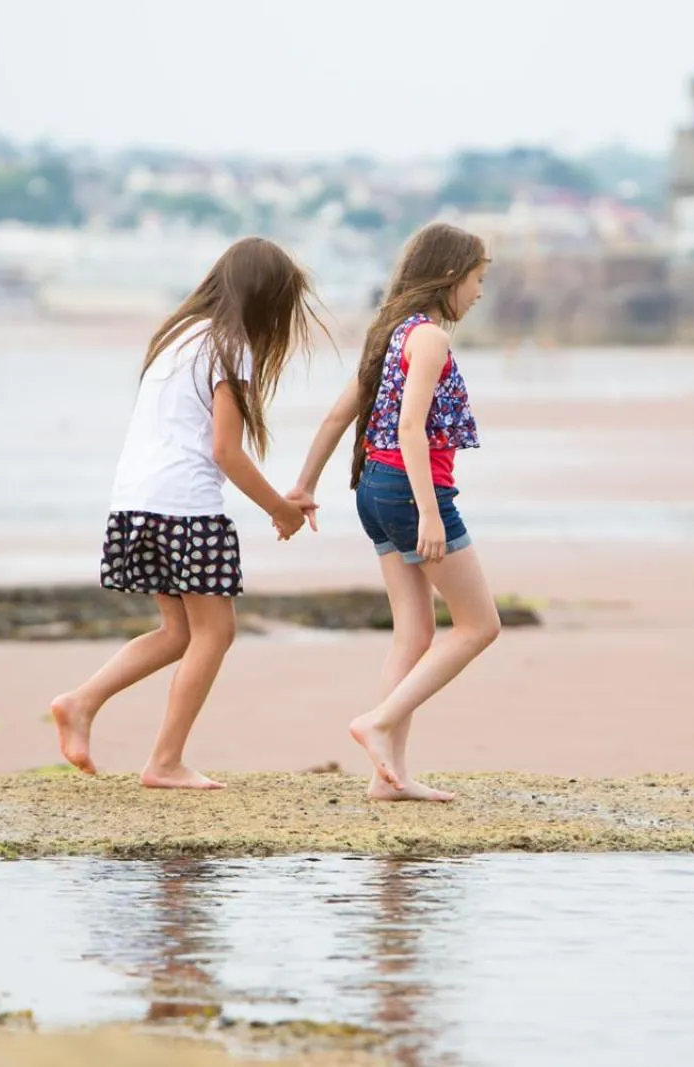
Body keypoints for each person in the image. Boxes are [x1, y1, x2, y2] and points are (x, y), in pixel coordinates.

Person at [50, 237, 320, 790]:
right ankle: (165, 762)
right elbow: (225, 450)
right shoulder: (232, 346)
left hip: (135, 500)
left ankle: (80, 703)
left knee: (179, 632)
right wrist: (279, 511)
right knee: (215, 634)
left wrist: (279, 502)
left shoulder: (179, 336)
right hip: (184, 509)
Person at [288, 222, 500, 802]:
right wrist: (431, 515)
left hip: (373, 491)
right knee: (480, 625)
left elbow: (337, 417)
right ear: (452, 275)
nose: (480, 293)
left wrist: (304, 486)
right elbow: (411, 428)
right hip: (410, 492)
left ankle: (390, 777)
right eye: (478, 279)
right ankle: (378, 724)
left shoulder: (389, 332)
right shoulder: (429, 338)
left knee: (413, 632)